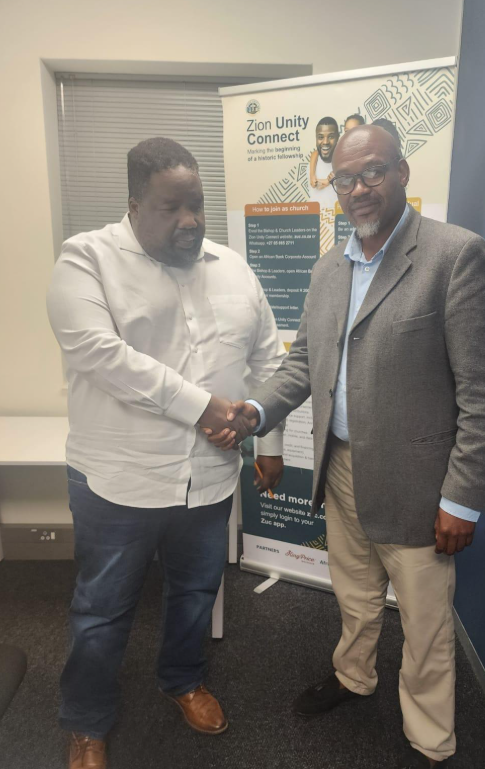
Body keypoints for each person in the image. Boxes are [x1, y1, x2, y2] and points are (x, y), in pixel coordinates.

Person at [220, 125, 485, 767]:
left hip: (418, 483)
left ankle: (431, 739)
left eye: (373, 171)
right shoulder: (330, 267)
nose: (359, 188)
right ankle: (354, 677)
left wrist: (462, 500)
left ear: (403, 172)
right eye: (345, 178)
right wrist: (255, 411)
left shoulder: (454, 256)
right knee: (354, 594)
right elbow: (304, 363)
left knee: (425, 621)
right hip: (342, 468)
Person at [47, 137, 286, 769]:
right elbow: (101, 355)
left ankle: (182, 679)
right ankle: (87, 721)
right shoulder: (86, 260)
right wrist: (204, 407)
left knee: (196, 593)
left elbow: (268, 360)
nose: (189, 220)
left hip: (208, 478)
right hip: (118, 481)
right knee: (102, 609)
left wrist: (267, 438)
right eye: (170, 207)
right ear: (134, 204)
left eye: (197, 204)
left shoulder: (232, 268)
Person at [307, 116, 340, 208]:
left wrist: (329, 181)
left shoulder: (345, 163)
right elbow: (315, 152)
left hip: (339, 216)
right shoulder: (312, 164)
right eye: (320, 137)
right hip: (315, 215)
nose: (325, 142)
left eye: (331, 137)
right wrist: (312, 175)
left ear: (338, 137)